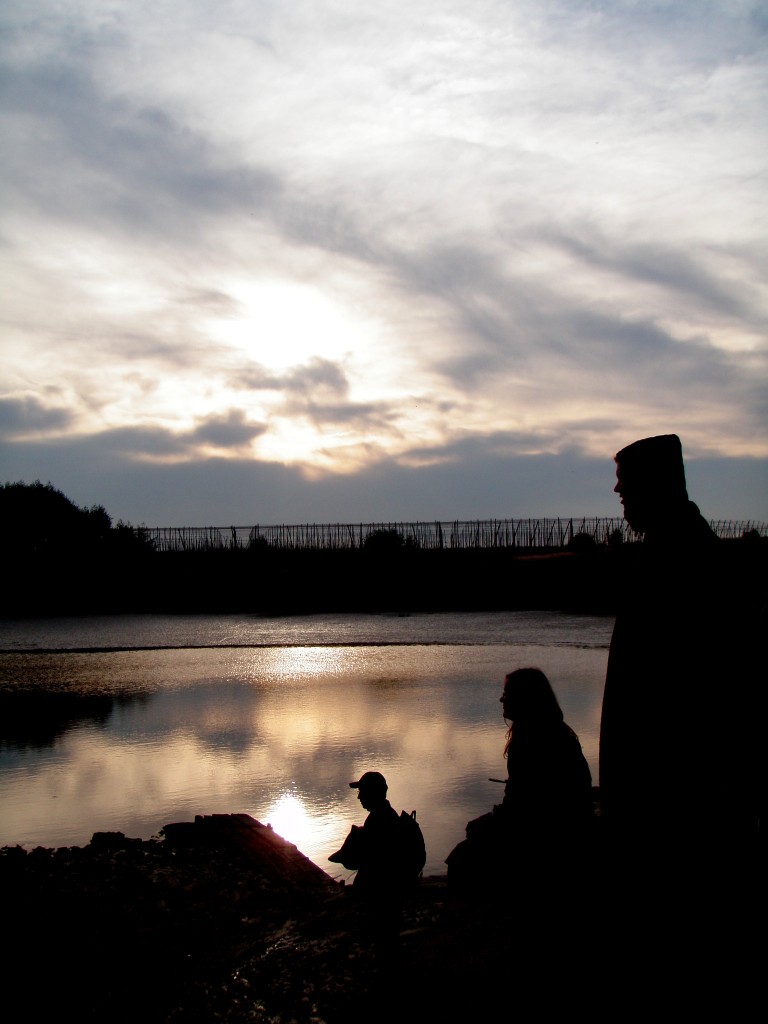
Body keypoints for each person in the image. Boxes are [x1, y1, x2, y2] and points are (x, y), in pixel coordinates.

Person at [598, 433, 762, 1011]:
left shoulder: (685, 561)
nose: (618, 493)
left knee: (681, 944)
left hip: (677, 800)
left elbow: (698, 696)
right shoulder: (675, 551)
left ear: (656, 485)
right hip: (670, 796)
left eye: (626, 483)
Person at [446, 667, 594, 894]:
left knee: (461, 857)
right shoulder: (550, 732)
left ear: (525, 698)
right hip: (562, 826)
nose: (501, 699)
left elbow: (525, 806)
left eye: (507, 694)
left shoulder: (535, 740)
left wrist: (489, 821)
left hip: (551, 834)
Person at [328, 771, 406, 963]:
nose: (359, 797)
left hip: (384, 892)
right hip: (387, 891)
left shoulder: (379, 820)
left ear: (373, 793)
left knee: (385, 937)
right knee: (387, 937)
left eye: (362, 792)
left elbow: (372, 859)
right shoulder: (382, 816)